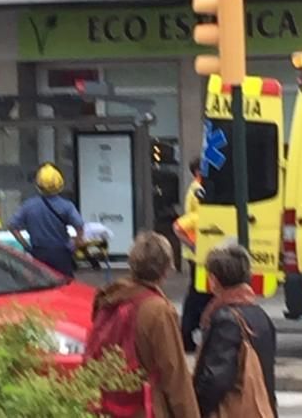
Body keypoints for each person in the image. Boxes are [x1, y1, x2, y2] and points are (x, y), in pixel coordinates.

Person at [86, 231, 200, 418]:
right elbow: (175, 375)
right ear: (166, 269)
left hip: (109, 402)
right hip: (143, 407)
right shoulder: (157, 310)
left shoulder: (109, 297)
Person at [193, 245, 277, 418]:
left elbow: (216, 378)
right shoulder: (261, 316)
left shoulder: (226, 319)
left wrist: (196, 408)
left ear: (214, 280)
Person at [9, 162, 84, 278]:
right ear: (60, 184)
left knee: (40, 284)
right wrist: (74, 246)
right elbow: (79, 226)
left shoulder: (29, 205)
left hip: (38, 252)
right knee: (64, 285)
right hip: (61, 254)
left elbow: (12, 226)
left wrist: (26, 246)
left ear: (38, 185)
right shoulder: (67, 206)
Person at [179, 157, 213, 353]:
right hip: (196, 252)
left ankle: (190, 332)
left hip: (197, 251)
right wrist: (194, 246)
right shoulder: (197, 190)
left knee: (198, 294)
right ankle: (187, 333)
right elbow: (196, 219)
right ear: (198, 170)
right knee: (197, 295)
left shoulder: (197, 187)